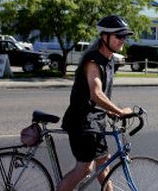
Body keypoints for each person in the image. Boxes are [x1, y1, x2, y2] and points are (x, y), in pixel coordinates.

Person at [57, 15, 134, 191]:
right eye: (119, 36)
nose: (123, 40)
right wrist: (120, 111)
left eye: (125, 36)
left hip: (95, 122)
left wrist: (109, 111)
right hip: (82, 123)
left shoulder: (109, 60)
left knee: (104, 165)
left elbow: (100, 97)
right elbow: (96, 94)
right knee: (84, 169)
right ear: (104, 36)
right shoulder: (93, 61)